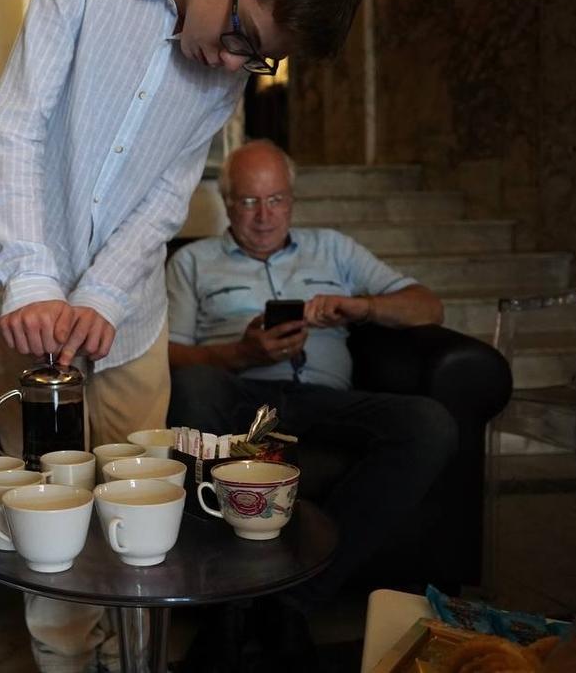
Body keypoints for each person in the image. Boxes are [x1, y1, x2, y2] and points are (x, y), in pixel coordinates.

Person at [0, 0, 370, 673]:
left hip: (127, 317)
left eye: (256, 58)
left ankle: (133, 660)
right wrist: (35, 279)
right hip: (22, 299)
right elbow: (18, 129)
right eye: (240, 36)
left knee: (144, 507)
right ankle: (67, 662)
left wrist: (101, 296)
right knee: (48, 505)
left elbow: (163, 198)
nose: (233, 64)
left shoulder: (225, 75)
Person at [166, 140, 459, 619]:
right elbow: (170, 354)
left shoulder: (334, 248)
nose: (265, 216)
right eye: (249, 201)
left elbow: (428, 306)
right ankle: (220, 599)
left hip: (324, 400)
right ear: (227, 202)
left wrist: (362, 307)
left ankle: (295, 597)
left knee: (430, 423)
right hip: (239, 396)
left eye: (276, 199)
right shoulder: (191, 262)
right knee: (195, 385)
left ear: (292, 200)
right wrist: (240, 354)